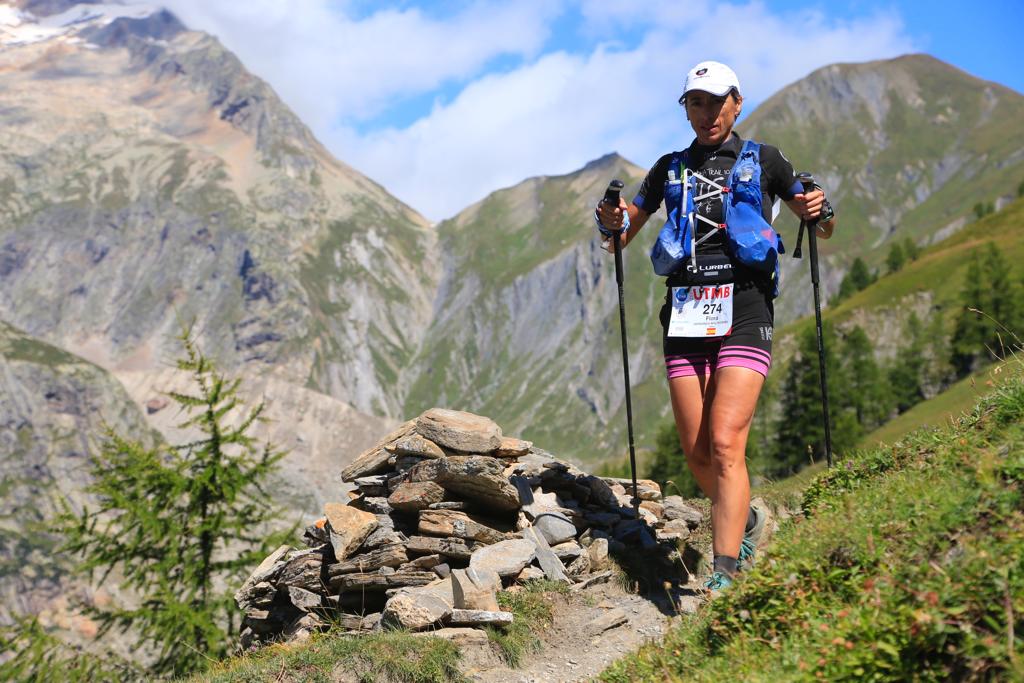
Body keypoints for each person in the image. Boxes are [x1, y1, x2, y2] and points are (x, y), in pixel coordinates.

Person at [595, 60, 837, 594]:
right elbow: (620, 238)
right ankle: (745, 516)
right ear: (687, 109)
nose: (707, 113)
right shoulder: (668, 167)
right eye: (696, 103)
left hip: (746, 307)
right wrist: (610, 221)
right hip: (685, 312)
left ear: (737, 103)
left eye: (717, 101)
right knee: (699, 453)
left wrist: (819, 209)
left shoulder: (766, 159)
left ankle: (725, 568)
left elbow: (820, 225)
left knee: (726, 443)